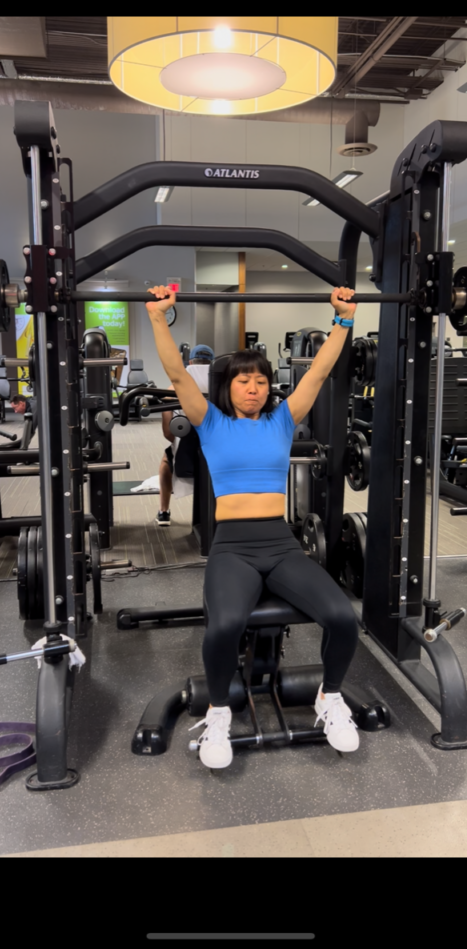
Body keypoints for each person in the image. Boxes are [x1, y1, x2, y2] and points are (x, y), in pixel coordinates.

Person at [146, 284, 360, 770]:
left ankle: (330, 698)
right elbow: (177, 374)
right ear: (229, 387)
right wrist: (159, 317)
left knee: (343, 618)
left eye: (260, 381)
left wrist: (344, 320)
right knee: (223, 625)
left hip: (280, 544)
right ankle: (219, 712)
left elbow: (321, 369)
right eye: (243, 381)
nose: (252, 387)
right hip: (234, 548)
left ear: (269, 388)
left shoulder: (283, 420)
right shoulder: (211, 422)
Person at [156, 345, 214, 525]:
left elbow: (169, 434)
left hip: (186, 456)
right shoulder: (224, 388)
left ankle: (164, 512)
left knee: (166, 460)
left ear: (189, 363)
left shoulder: (172, 390)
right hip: (218, 451)